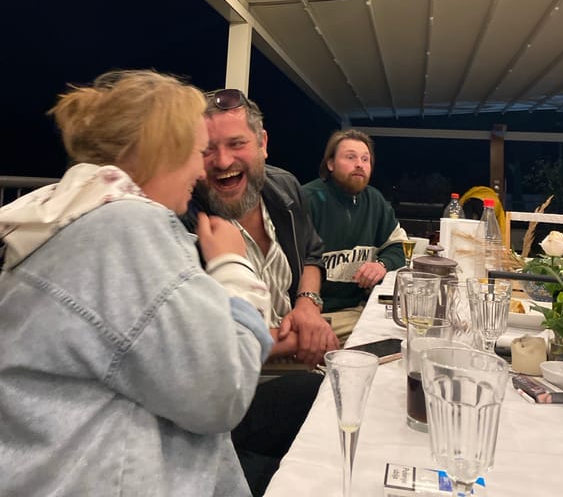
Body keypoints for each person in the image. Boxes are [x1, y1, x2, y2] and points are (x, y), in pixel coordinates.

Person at [0, 70, 273, 497]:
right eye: (198, 152)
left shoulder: (62, 222)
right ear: (165, 151)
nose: (200, 171)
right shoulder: (125, 230)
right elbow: (223, 391)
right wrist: (233, 266)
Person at [182, 88, 338, 496]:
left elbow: (312, 254)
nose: (223, 162)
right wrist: (294, 341)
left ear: (263, 143)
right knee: (335, 399)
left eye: (237, 144)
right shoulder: (183, 218)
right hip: (240, 385)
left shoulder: (284, 188)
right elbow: (198, 347)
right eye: (207, 150)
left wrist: (308, 305)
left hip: (296, 343)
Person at [303, 129, 407, 343]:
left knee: (405, 334)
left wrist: (382, 264)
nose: (359, 164)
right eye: (350, 157)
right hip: (314, 312)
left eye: (365, 159)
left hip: (357, 308)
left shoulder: (375, 201)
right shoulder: (307, 199)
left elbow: (399, 246)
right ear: (330, 164)